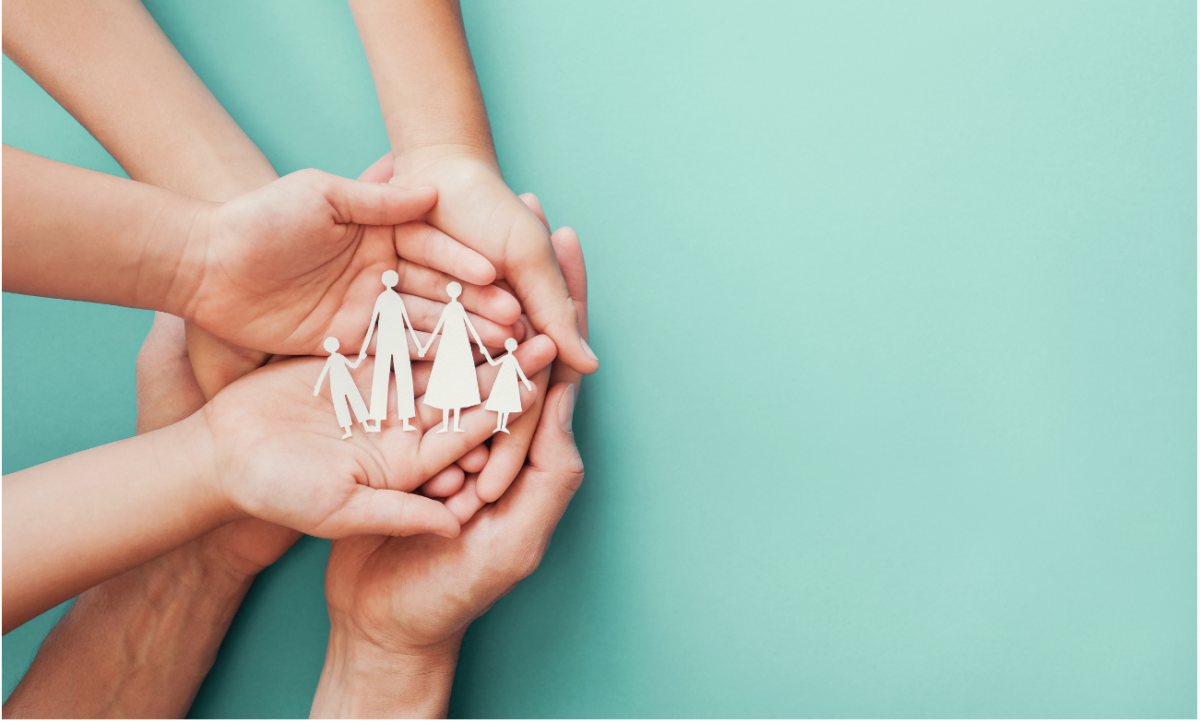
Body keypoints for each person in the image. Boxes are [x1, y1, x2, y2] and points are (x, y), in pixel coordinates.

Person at [419, 281, 495, 433]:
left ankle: (455, 425)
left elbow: (469, 325)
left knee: (458, 381)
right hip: (450, 345)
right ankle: (448, 425)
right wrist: (425, 347)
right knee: (448, 382)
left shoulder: (458, 307)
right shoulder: (451, 307)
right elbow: (439, 326)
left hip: (459, 345)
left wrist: (480, 344)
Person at [358, 270, 422, 432]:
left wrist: (418, 344)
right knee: (397, 378)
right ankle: (393, 421)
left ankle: (396, 421)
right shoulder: (390, 298)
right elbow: (373, 322)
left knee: (390, 378)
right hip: (390, 340)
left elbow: (404, 320)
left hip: (393, 340)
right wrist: (364, 347)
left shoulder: (389, 298)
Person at [315, 337, 371, 439]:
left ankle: (366, 426)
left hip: (347, 382)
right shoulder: (331, 359)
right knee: (341, 406)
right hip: (337, 385)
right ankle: (348, 431)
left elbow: (353, 366)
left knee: (355, 400)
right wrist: (317, 386)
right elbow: (323, 373)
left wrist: (360, 358)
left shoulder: (340, 357)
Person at [486, 337, 536, 433]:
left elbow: (520, 371)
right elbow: (493, 363)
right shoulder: (507, 357)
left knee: (506, 405)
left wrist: (526, 383)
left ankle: (503, 426)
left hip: (510, 382)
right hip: (502, 381)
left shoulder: (512, 358)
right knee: (501, 404)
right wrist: (486, 354)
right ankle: (499, 426)